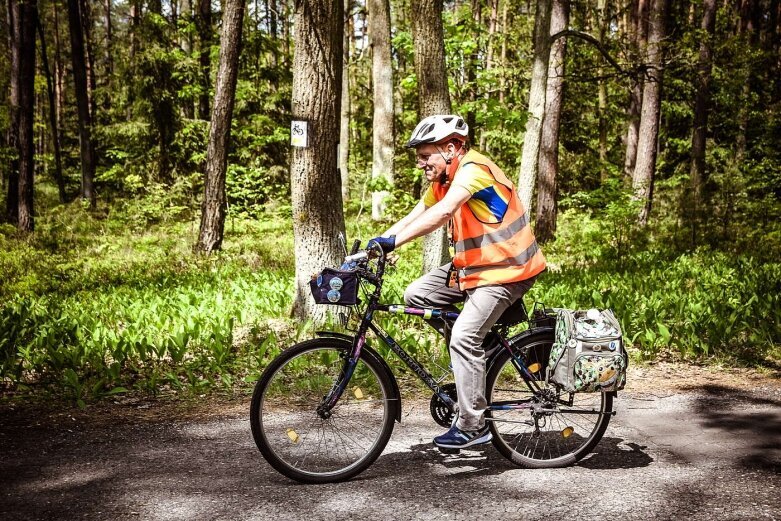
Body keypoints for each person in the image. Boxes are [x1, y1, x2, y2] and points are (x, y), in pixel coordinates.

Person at [367, 114, 546, 450]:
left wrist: (396, 243)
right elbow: (420, 211)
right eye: (418, 156)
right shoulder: (444, 179)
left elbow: (444, 212)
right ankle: (483, 353)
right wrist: (378, 242)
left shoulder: (473, 170)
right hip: (475, 268)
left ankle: (473, 424)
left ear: (451, 148)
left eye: (425, 156)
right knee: (416, 295)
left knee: (463, 337)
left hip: (508, 270)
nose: (420, 163)